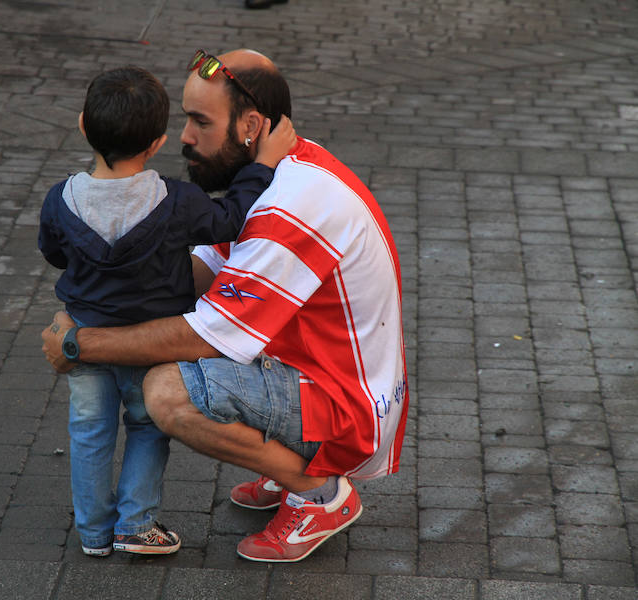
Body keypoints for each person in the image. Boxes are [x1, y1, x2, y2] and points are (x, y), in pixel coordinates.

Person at [41, 49, 408, 563]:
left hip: (346, 410)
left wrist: (82, 342)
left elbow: (208, 334)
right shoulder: (281, 166)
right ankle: (280, 465)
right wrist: (112, 293)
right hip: (309, 375)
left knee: (167, 393)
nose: (186, 137)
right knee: (169, 374)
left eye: (200, 121)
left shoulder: (291, 207)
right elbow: (201, 274)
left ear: (251, 125)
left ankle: (319, 493)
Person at [38, 65, 296, 558]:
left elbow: (54, 252)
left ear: (83, 126)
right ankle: (135, 524)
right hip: (149, 344)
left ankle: (93, 534)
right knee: (144, 427)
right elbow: (233, 216)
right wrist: (262, 165)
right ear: (157, 142)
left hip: (87, 336)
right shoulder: (177, 201)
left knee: (89, 431)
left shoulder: (60, 200)